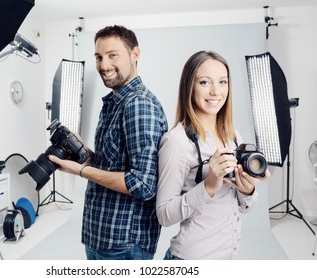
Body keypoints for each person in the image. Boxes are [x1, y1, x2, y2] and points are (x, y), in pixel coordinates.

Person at [49, 25, 168, 260]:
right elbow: (111, 166)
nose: (104, 65)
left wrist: (82, 171)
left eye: (113, 55)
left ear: (135, 54)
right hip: (101, 236)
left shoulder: (138, 104)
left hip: (124, 243)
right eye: (98, 57)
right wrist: (84, 154)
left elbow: (143, 184)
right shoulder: (115, 102)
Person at [156, 50, 270, 260]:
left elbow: (244, 207)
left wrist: (248, 189)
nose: (216, 91)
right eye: (205, 82)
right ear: (189, 87)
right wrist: (208, 186)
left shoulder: (233, 136)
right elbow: (164, 215)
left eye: (223, 82)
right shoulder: (177, 141)